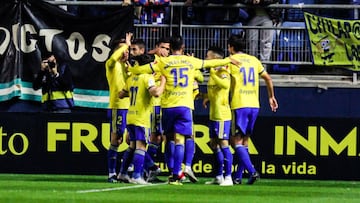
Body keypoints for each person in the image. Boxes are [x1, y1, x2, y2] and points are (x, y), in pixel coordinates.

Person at [129, 35, 238, 185]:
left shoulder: (163, 61)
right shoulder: (190, 61)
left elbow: (142, 69)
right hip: (185, 105)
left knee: (168, 139)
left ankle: (171, 170)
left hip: (168, 106)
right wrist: (227, 60)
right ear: (183, 47)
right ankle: (176, 175)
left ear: (170, 48)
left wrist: (132, 68)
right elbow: (209, 63)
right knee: (180, 140)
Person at [227, 33, 278, 185]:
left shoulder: (231, 61)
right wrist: (271, 96)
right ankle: (237, 176)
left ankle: (252, 171)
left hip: (239, 104)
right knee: (245, 142)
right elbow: (268, 78)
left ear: (231, 47)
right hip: (254, 105)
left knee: (235, 141)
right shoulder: (254, 60)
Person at [119, 54, 166, 185]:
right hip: (142, 117)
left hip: (130, 115)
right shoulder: (147, 77)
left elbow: (121, 94)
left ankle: (122, 173)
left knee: (132, 146)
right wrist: (163, 83)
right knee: (141, 146)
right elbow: (155, 93)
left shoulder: (131, 78)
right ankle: (136, 176)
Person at [202, 46, 233, 186]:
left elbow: (225, 85)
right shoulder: (213, 72)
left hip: (222, 115)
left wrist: (214, 74)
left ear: (214, 58)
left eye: (208, 57)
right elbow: (215, 91)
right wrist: (205, 97)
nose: (206, 59)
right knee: (214, 144)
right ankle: (219, 176)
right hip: (213, 114)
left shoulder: (223, 70)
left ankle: (228, 177)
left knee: (224, 144)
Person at [105, 32, 132, 183]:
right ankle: (111, 173)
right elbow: (114, 58)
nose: (126, 52)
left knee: (133, 140)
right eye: (122, 50)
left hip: (132, 107)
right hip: (118, 107)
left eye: (127, 50)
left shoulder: (128, 67)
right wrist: (126, 45)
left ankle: (126, 171)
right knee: (117, 139)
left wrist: (129, 69)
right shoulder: (111, 64)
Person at [240, 0, 282, 70]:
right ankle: (252, 66)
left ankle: (263, 67)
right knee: (252, 42)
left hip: (268, 17)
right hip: (252, 17)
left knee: (266, 43)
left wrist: (260, 1)